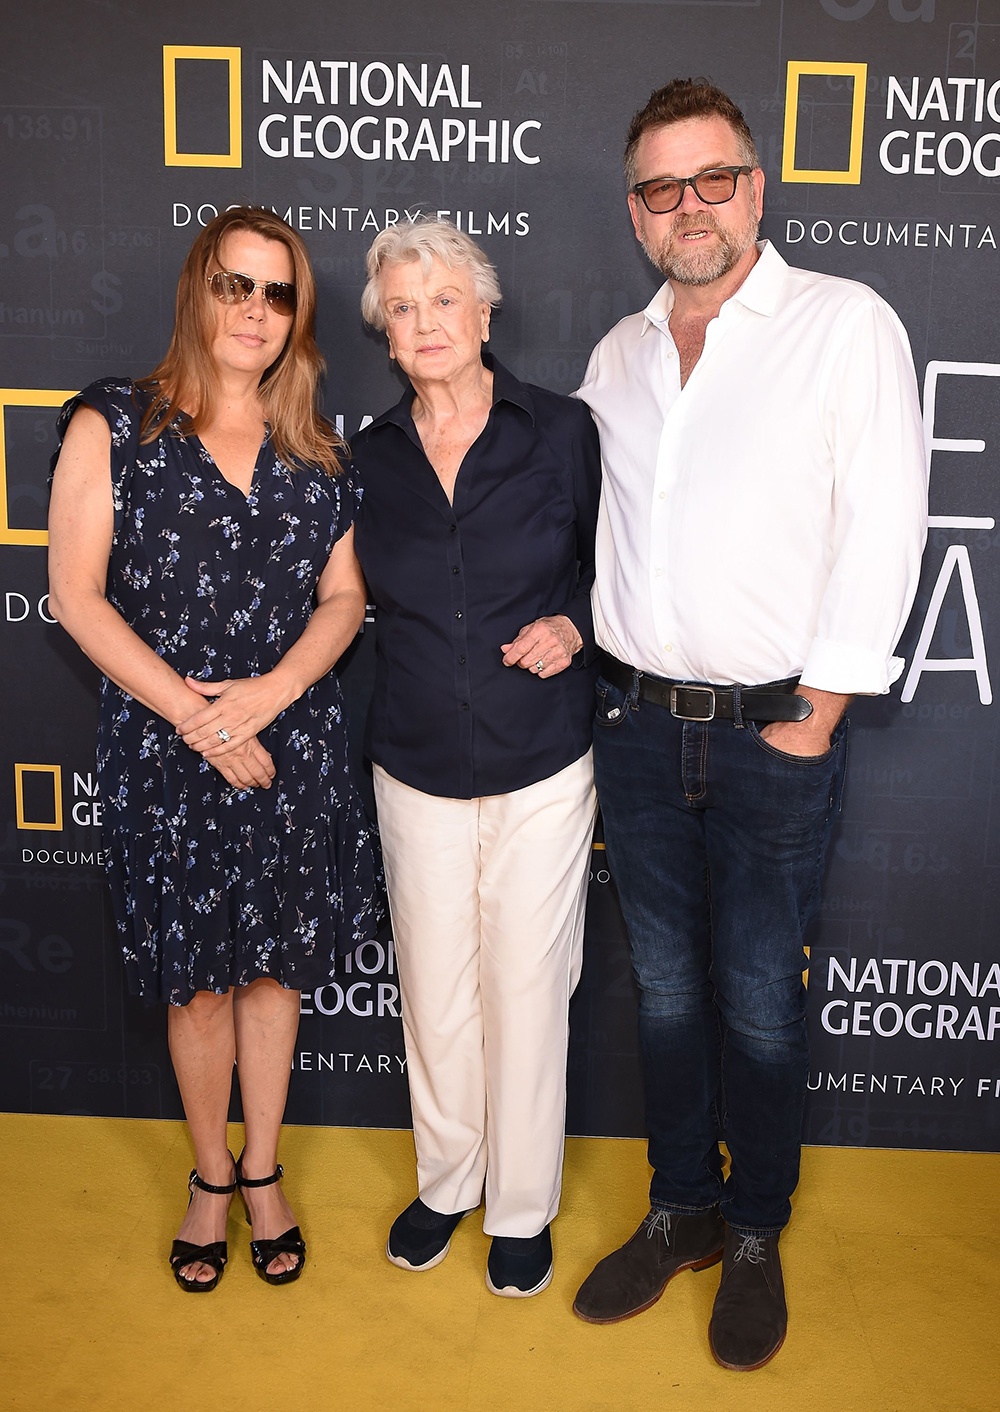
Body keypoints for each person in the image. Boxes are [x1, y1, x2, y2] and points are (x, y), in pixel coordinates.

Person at [572, 80, 927, 1368]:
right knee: (664, 992)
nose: (691, 207)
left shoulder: (843, 324)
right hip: (636, 731)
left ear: (756, 187)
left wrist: (818, 715)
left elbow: (886, 525)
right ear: (635, 212)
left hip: (776, 736)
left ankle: (759, 1227)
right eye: (663, 189)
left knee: (759, 1003)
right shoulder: (615, 355)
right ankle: (685, 1209)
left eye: (712, 179)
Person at [47, 206, 384, 1292]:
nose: (256, 309)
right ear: (198, 289)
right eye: (237, 285)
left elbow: (343, 598)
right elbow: (76, 596)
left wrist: (274, 695)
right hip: (164, 753)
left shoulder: (317, 445)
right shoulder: (116, 420)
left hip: (292, 751)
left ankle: (265, 1168)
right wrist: (203, 720)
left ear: (298, 317)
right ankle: (207, 1175)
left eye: (279, 293)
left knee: (275, 975)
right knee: (194, 984)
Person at [351, 218, 600, 1298]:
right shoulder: (364, 458)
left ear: (484, 314)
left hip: (542, 759)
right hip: (411, 762)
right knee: (437, 992)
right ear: (387, 338)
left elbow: (614, 570)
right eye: (402, 309)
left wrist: (576, 624)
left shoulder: (562, 431)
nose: (424, 323)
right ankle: (447, 1181)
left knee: (529, 986)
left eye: (442, 300)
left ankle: (521, 1205)